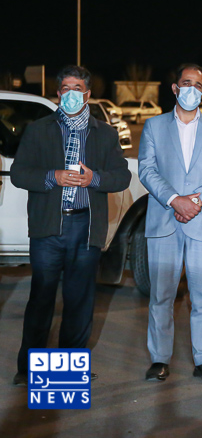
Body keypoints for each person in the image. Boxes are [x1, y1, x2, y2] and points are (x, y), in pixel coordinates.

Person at [11, 65, 131, 386]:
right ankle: (28, 370)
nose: (71, 94)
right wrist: (53, 176)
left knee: (79, 302)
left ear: (88, 94)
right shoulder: (38, 130)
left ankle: (68, 373)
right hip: (49, 228)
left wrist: (95, 179)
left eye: (78, 88)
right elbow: (20, 173)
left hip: (85, 228)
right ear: (58, 93)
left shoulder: (104, 133)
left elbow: (122, 176)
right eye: (66, 88)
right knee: (41, 298)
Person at [138, 63, 202, 383]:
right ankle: (159, 359)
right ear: (175, 88)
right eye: (185, 82)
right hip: (164, 220)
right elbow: (147, 170)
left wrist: (196, 201)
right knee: (161, 295)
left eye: (197, 84)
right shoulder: (154, 126)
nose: (191, 89)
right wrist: (174, 199)